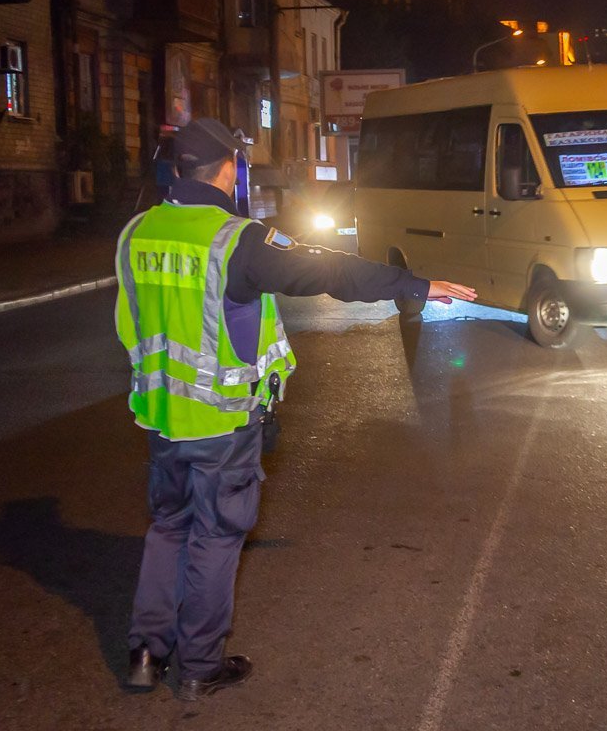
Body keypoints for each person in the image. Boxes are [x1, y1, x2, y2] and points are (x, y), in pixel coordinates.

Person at [116, 118, 476, 701]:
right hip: (222, 420)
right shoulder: (236, 240)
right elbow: (329, 269)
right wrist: (415, 285)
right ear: (229, 169)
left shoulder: (136, 233)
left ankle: (145, 653)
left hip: (160, 415)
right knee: (214, 536)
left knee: (168, 527)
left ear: (178, 168)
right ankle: (201, 665)